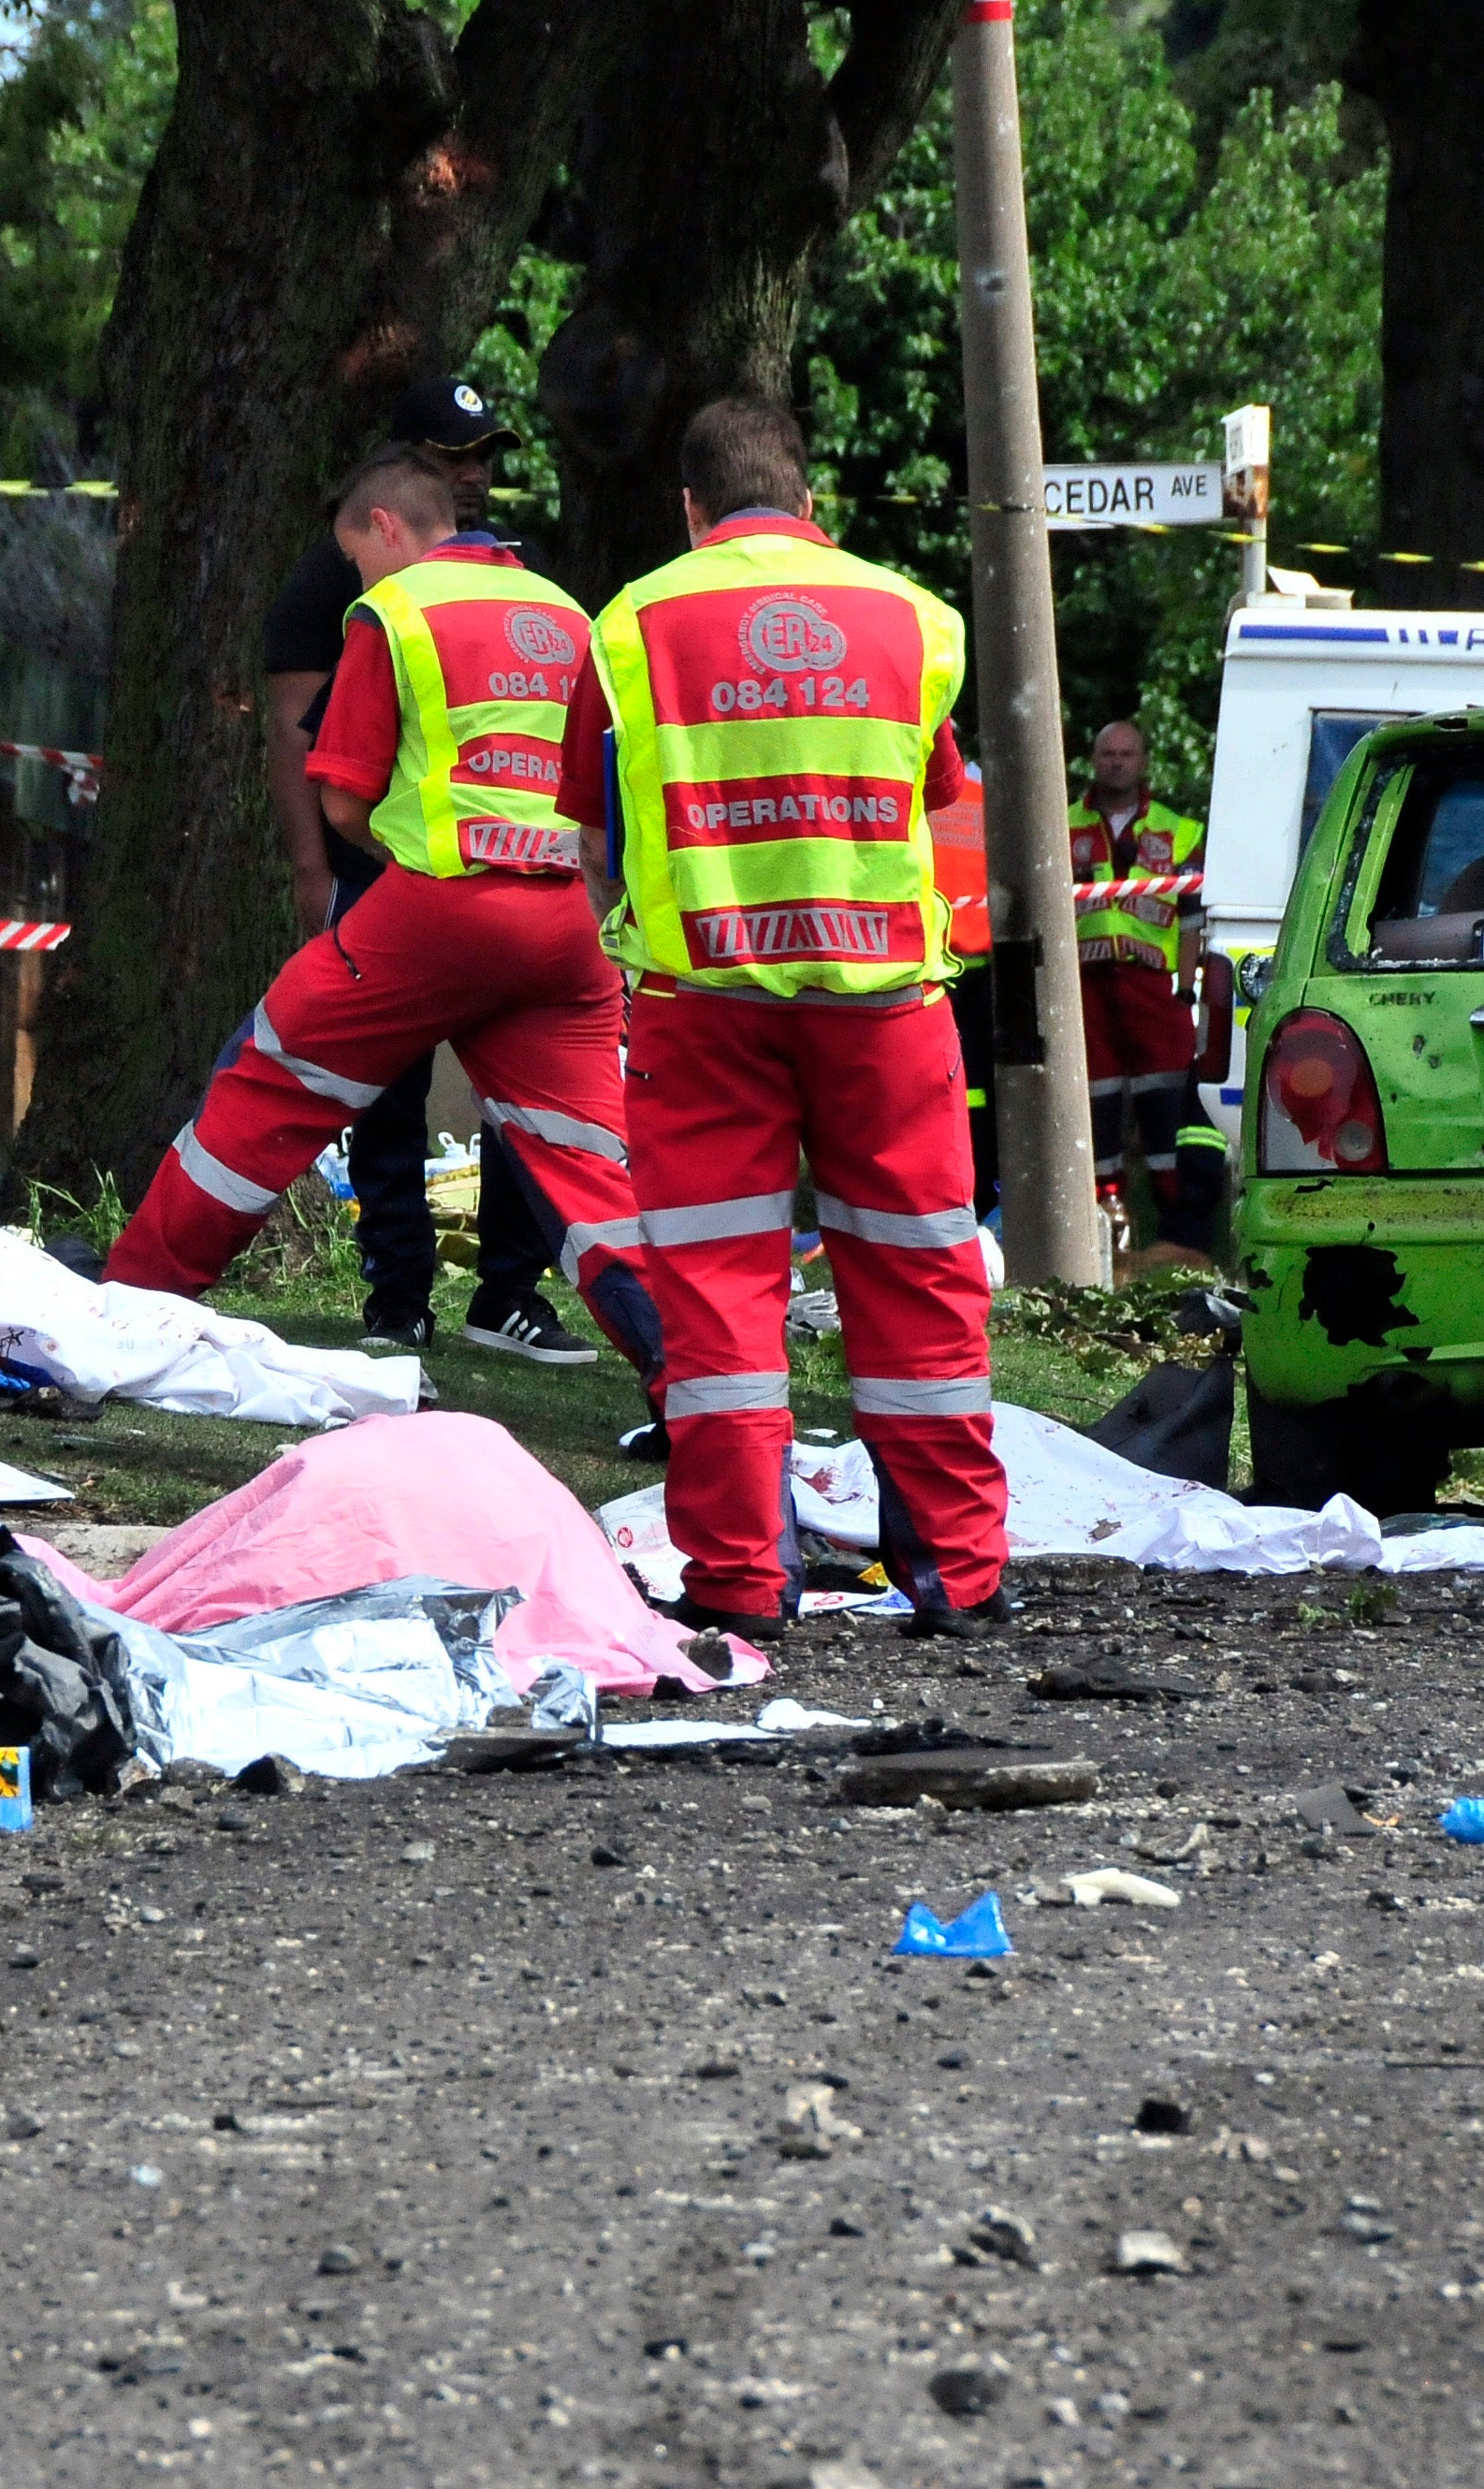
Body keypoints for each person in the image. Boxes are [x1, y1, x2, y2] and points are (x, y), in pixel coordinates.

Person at [556, 395, 1000, 1644]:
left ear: (690, 511)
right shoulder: (915, 618)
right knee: (919, 1273)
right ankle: (959, 1570)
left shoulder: (633, 623)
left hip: (704, 996)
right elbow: (936, 791)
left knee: (718, 1298)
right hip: (885, 1001)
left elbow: (600, 832)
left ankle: (745, 1581)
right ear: (810, 506)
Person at [104, 448, 662, 1390]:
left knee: (268, 1079)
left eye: (355, 554)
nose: (357, 575)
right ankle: (691, 1374)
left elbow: (343, 796)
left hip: (440, 905)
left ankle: (129, 1303)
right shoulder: (570, 612)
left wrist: (407, 849)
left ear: (387, 529)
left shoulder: (394, 612)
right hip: (569, 917)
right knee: (590, 1168)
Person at [257, 374, 572, 1359]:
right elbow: (291, 731)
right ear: (401, 475)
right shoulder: (336, 577)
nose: (474, 475)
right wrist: (316, 868)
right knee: (384, 1086)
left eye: (482, 456)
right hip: (381, 869)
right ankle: (399, 1295)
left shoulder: (526, 574)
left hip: (504, 872)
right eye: (452, 457)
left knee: (523, 1087)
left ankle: (508, 1292)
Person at [1068, 718, 1222, 1254]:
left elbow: (1192, 920)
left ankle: (1178, 1236)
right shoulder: (1060, 826)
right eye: (1107, 754)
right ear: (1093, 760)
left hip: (1155, 990)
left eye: (1126, 754)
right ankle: (1107, 1231)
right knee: (1096, 1112)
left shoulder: (1178, 830)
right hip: (1085, 989)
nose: (1116, 763)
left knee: (1167, 1112)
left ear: (1143, 761)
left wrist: (1185, 987)